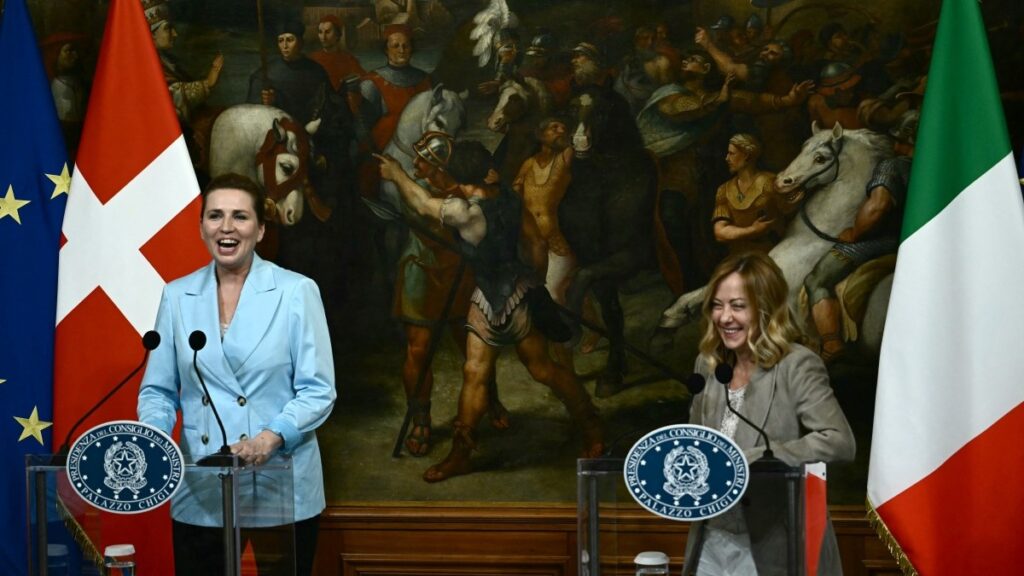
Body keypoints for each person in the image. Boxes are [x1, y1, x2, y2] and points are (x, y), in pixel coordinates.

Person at [138, 173, 337, 576]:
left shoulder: (296, 291)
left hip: (279, 479)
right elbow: (157, 391)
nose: (226, 227)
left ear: (260, 229)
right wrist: (155, 437)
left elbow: (318, 390)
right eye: (215, 216)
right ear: (201, 227)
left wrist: (270, 437)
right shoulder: (176, 295)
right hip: (202, 483)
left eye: (240, 216)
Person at [377, 141, 604, 483]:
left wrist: (396, 174)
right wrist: (535, 283)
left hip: (494, 300)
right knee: (516, 369)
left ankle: (465, 453)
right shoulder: (509, 198)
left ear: (458, 176)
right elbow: (536, 243)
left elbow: (421, 202)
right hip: (512, 293)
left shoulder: (463, 211)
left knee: (498, 372)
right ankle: (588, 427)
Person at [682, 251, 855, 576]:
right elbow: (696, 442)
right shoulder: (708, 365)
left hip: (775, 544)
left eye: (738, 306)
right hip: (711, 541)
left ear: (765, 308)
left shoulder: (796, 365)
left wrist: (765, 457)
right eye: (717, 305)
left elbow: (839, 441)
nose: (724, 317)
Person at [393, 131, 509, 456]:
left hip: (461, 275)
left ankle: (490, 399)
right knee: (418, 349)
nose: (415, 164)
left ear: (439, 167)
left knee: (475, 348)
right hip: (422, 272)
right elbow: (421, 210)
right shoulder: (413, 189)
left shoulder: (466, 193)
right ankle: (421, 419)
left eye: (422, 160)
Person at [806, 109, 917, 362]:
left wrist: (855, 232)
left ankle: (832, 344)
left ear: (901, 139)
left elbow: (877, 206)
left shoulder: (891, 166)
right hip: (914, 242)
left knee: (816, 280)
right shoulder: (935, 170)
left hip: (882, 242)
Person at [711, 133, 802, 255]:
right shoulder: (724, 190)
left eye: (732, 154)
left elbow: (790, 216)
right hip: (739, 257)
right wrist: (753, 230)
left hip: (772, 254)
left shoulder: (770, 182)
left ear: (747, 156)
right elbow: (720, 233)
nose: (727, 158)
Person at [247, 20, 330, 125]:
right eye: (280, 41)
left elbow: (325, 106)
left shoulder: (316, 71)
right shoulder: (265, 72)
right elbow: (251, 110)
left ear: (300, 42)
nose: (284, 46)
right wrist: (263, 101)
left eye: (290, 40)